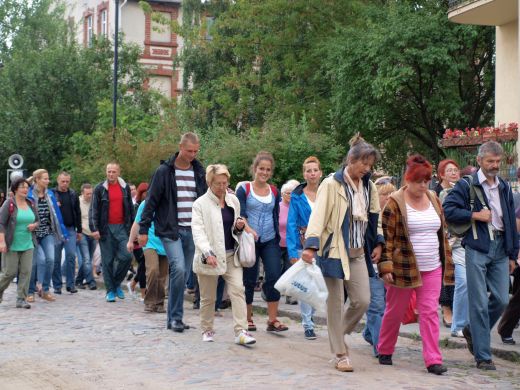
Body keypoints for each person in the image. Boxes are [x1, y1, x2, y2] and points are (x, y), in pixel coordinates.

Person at [301, 135, 384, 372]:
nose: (366, 169)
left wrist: (378, 243)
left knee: (362, 300)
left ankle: (337, 332)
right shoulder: (331, 184)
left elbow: (374, 218)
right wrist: (311, 245)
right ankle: (340, 354)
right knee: (335, 304)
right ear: (351, 160)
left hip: (359, 253)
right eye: (363, 164)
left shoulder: (369, 186)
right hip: (335, 251)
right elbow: (318, 216)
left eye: (370, 165)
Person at [444, 141, 519, 370]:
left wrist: (512, 254)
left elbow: (509, 222)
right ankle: (483, 356)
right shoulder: (467, 184)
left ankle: (470, 330)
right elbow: (448, 209)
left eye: (497, 161)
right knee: (477, 303)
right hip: (477, 246)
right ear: (479, 161)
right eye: (490, 161)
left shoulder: (504, 187)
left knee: (502, 299)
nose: (494, 166)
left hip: (499, 248)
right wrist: (475, 214)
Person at [377, 155, 454, 375]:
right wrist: (386, 266)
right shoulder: (394, 202)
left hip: (432, 266)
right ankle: (385, 349)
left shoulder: (433, 199)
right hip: (403, 267)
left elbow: (442, 231)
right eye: (418, 181)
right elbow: (387, 236)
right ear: (407, 179)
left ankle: (433, 360)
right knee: (395, 310)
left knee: (429, 312)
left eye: (426, 180)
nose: (422, 185)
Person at [138, 132, 207, 332]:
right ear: (180, 147)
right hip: (170, 230)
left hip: (192, 229)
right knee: (178, 269)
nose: (192, 155)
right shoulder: (164, 172)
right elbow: (151, 201)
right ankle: (175, 317)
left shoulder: (199, 171)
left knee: (184, 273)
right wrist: (143, 229)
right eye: (189, 151)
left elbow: (204, 199)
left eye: (195, 151)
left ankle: (174, 317)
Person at [192, 164, 256, 345]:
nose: (222, 187)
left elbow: (232, 229)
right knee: (208, 297)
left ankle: (241, 331)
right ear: (210, 183)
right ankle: (207, 329)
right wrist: (207, 251)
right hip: (209, 257)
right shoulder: (200, 204)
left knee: (238, 290)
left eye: (225, 183)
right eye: (218, 183)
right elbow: (198, 231)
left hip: (230, 255)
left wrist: (238, 227)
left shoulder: (233, 200)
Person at [236, 151, 288, 333]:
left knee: (274, 276)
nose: (264, 172)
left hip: (270, 239)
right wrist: (248, 229)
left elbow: (276, 214)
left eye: (268, 170)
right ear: (255, 169)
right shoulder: (244, 189)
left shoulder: (274, 191)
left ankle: (272, 319)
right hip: (250, 240)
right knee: (249, 279)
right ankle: (248, 318)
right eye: (261, 169)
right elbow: (240, 213)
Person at [286, 156, 322, 340]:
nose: (312, 173)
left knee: (320, 285)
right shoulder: (297, 196)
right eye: (308, 170)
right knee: (306, 287)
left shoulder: (327, 192)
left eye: (315, 170)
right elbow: (291, 223)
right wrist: (292, 252)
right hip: (304, 245)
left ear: (320, 173)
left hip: (326, 246)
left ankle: (312, 315)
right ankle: (308, 323)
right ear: (304, 174)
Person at [90, 162, 134, 302]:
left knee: (127, 256)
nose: (111, 174)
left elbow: (131, 210)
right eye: (109, 171)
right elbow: (94, 210)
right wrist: (94, 228)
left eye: (113, 171)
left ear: (118, 172)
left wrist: (134, 229)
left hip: (122, 227)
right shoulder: (100, 189)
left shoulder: (124, 188)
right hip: (105, 228)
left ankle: (116, 284)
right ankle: (110, 290)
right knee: (107, 260)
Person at [361, 176, 396, 356]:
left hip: (390, 270)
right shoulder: (370, 216)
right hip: (372, 268)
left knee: (383, 306)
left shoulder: (396, 217)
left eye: (392, 193)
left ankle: (369, 332)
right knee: (377, 306)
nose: (389, 197)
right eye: (385, 194)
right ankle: (380, 347)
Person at [27, 169, 67, 303]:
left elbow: (57, 215)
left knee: (51, 259)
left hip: (47, 232)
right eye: (44, 178)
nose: (47, 181)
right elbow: (14, 196)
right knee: (36, 263)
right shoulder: (28, 194)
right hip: (32, 234)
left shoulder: (50, 194)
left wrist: (63, 231)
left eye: (48, 178)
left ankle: (45, 290)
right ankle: (30, 291)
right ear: (37, 180)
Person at [0, 178, 39, 308]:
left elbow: (38, 221)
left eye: (27, 187)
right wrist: (2, 242)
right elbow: (1, 223)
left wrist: (34, 225)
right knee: (9, 273)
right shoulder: (9, 203)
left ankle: (21, 299)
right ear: (15, 189)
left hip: (28, 243)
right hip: (12, 243)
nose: (25, 189)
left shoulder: (31, 203)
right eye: (22, 187)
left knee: (26, 271)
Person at [127, 196, 168, 313]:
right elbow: (137, 223)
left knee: (162, 275)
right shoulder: (145, 203)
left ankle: (159, 302)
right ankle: (149, 301)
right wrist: (130, 241)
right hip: (149, 242)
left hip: (165, 242)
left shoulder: (168, 202)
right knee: (153, 270)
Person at [434, 160, 460, 328]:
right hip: (442, 238)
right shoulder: (435, 193)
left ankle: (457, 309)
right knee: (445, 273)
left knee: (459, 275)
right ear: (441, 174)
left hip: (460, 239)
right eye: (449, 170)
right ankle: (446, 308)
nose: (453, 173)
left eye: (456, 170)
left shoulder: (462, 190)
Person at [52, 172, 82, 294]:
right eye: (62, 181)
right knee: (56, 259)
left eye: (67, 181)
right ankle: (57, 285)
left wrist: (79, 230)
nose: (65, 183)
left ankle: (70, 285)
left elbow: (78, 212)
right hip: (56, 230)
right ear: (58, 180)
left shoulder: (73, 194)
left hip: (70, 229)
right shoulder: (51, 194)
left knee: (70, 257)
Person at [279, 179, 300, 305]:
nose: (290, 196)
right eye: (287, 193)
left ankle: (290, 296)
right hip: (277, 244)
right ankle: (268, 290)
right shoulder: (278, 207)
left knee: (291, 270)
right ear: (282, 194)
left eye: (292, 193)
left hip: (291, 244)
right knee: (276, 270)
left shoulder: (296, 207)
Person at [127, 182, 149, 299]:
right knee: (143, 265)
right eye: (145, 193)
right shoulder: (136, 206)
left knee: (143, 265)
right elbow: (133, 222)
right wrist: (131, 238)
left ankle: (133, 284)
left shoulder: (151, 204)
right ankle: (142, 292)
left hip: (147, 239)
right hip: (136, 241)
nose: (147, 195)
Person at [75, 183, 97, 290]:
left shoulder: (94, 202)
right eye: (88, 194)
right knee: (87, 259)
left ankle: (78, 281)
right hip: (82, 233)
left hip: (93, 233)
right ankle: (90, 281)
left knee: (88, 259)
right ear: (82, 193)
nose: (90, 196)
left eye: (91, 194)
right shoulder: (77, 202)